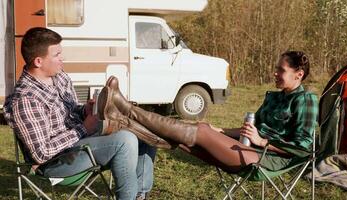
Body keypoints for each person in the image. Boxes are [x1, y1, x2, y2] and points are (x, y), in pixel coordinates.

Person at [98, 50, 318, 172]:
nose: (275, 73)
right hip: (247, 149)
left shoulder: (306, 100)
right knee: (190, 135)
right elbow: (249, 130)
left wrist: (262, 142)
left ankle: (126, 109)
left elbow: (303, 148)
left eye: (281, 70)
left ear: (298, 74)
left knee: (200, 132)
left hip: (267, 160)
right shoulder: (274, 97)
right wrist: (221, 130)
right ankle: (119, 121)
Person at [3, 27, 156, 200]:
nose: (63, 58)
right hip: (57, 162)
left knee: (145, 132)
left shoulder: (59, 77)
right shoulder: (26, 99)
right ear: (38, 61)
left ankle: (138, 195)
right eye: (57, 55)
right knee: (125, 141)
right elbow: (41, 153)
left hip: (81, 143)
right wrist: (83, 128)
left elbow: (70, 110)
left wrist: (86, 110)